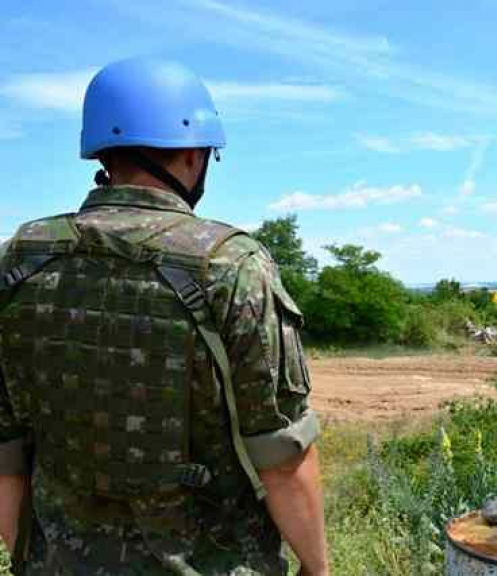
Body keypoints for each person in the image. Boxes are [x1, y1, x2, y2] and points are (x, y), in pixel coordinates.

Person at [0, 57, 329, 575]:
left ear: (101, 152)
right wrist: (318, 568)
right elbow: (283, 457)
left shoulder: (19, 259)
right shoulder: (230, 265)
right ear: (194, 155)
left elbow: (7, 457)